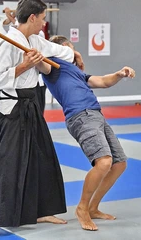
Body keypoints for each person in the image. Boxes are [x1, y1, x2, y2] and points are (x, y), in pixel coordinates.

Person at [0, 0, 82, 239]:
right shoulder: (9, 43)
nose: (43, 23)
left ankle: (41, 210)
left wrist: (73, 53)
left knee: (41, 157)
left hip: (31, 103)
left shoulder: (33, 40)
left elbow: (58, 50)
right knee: (6, 163)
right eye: (42, 19)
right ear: (32, 18)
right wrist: (23, 66)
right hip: (12, 108)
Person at [41, 35, 135, 231]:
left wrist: (119, 74)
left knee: (119, 164)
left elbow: (102, 81)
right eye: (70, 48)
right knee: (104, 162)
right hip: (80, 117)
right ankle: (82, 208)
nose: (74, 53)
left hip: (96, 115)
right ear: (62, 49)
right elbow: (40, 58)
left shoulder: (75, 71)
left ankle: (93, 208)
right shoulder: (52, 65)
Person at [2, 7, 47, 114]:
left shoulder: (37, 34)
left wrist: (11, 17)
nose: (44, 24)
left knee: (38, 113)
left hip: (36, 82)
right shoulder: (14, 37)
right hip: (20, 87)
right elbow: (10, 27)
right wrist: (10, 17)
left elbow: (21, 29)